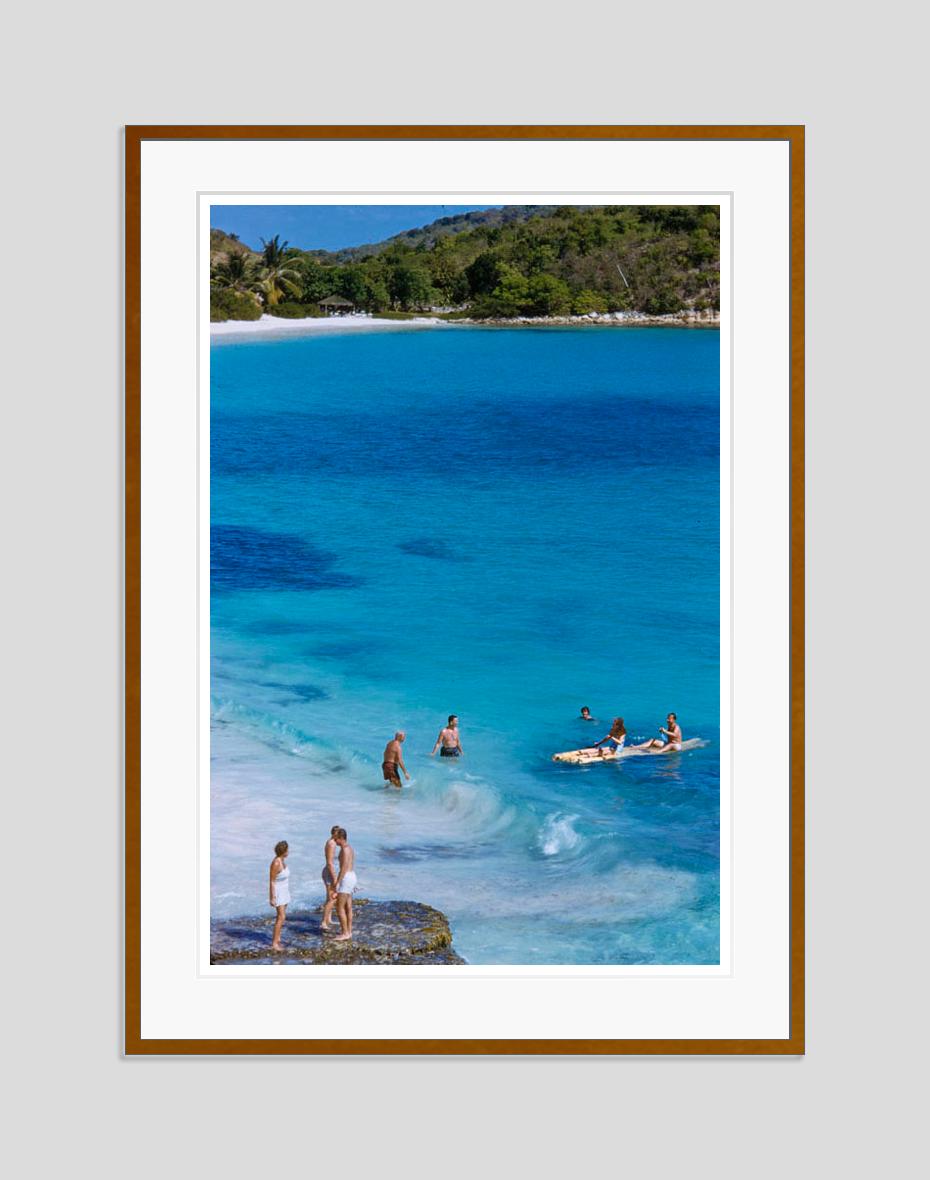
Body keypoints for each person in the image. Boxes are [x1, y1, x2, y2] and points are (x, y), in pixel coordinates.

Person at [332, 828, 357, 942]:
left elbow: (344, 868)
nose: (334, 841)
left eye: (336, 839)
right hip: (352, 876)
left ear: (341, 838)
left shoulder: (344, 850)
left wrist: (337, 882)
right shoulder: (350, 848)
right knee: (348, 906)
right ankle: (349, 931)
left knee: (339, 907)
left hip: (346, 878)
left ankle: (345, 932)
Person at [269, 840, 290, 951]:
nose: (289, 851)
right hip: (278, 892)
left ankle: (278, 938)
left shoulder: (282, 860)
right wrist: (272, 897)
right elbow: (272, 881)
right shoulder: (276, 863)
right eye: (287, 850)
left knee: (282, 917)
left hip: (285, 891)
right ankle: (274, 944)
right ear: (284, 851)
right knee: (281, 917)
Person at [320, 826, 341, 932]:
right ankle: (324, 922)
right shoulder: (331, 844)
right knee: (332, 898)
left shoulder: (333, 842)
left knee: (330, 897)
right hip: (330, 873)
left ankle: (329, 919)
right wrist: (335, 878)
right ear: (334, 833)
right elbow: (329, 863)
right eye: (338, 833)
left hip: (332, 872)